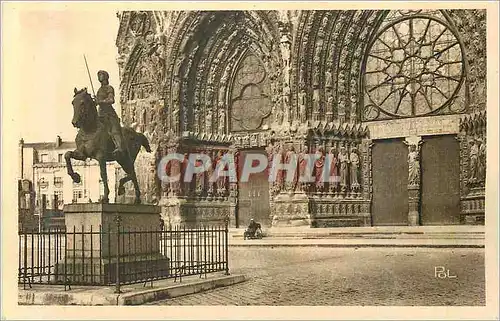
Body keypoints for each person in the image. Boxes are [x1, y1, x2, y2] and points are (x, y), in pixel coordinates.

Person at [94, 70, 125, 156]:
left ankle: (119, 147)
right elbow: (97, 102)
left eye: (101, 75)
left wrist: (100, 101)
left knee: (114, 130)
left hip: (109, 113)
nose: (99, 77)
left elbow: (111, 100)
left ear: (105, 77)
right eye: (99, 76)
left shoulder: (109, 88)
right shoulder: (99, 90)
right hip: (100, 114)